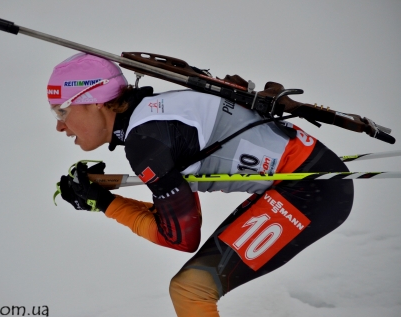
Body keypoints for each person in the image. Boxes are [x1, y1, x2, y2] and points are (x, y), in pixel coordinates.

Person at [48, 52, 354, 317]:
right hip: (303, 177)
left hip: (311, 191)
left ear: (96, 102)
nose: (60, 125)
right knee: (189, 287)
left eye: (62, 110)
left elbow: (180, 237)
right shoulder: (151, 115)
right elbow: (176, 216)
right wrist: (102, 199)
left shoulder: (146, 142)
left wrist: (105, 203)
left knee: (191, 290)